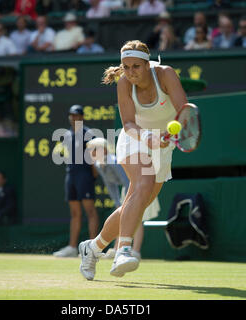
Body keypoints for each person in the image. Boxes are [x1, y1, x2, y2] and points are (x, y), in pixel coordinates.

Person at [78, 40, 186, 280]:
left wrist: (177, 134)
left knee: (139, 203)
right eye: (125, 67)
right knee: (143, 183)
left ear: (148, 64)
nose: (130, 72)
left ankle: (92, 248)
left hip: (162, 144)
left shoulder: (166, 75)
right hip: (135, 137)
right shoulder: (125, 83)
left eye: (136, 66)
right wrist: (147, 137)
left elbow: (184, 110)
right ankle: (123, 251)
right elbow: (128, 123)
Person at [86, 137, 160, 260]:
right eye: (90, 150)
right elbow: (110, 185)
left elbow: (128, 182)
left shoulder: (114, 162)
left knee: (137, 218)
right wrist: (117, 202)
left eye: (94, 149)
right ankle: (117, 249)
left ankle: (135, 251)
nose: (90, 153)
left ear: (103, 150)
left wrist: (130, 198)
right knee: (123, 218)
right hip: (128, 190)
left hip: (137, 188)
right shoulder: (98, 165)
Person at [53, 105, 99, 257]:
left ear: (82, 117)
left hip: (85, 175)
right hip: (71, 174)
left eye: (77, 116)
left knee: (90, 212)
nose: (74, 118)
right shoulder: (66, 135)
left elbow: (94, 158)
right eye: (72, 116)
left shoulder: (89, 134)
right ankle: (72, 247)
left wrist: (92, 176)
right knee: (74, 213)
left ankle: (92, 248)